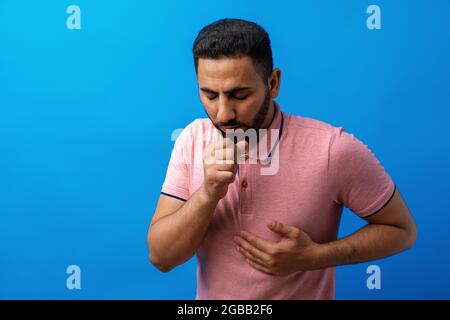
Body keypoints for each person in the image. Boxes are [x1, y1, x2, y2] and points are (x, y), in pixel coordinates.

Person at [147, 18, 416, 299]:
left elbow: (402, 230)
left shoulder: (333, 149)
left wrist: (315, 257)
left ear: (273, 83)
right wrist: (208, 193)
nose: (223, 114)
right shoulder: (191, 139)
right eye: (210, 95)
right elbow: (161, 257)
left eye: (239, 95)